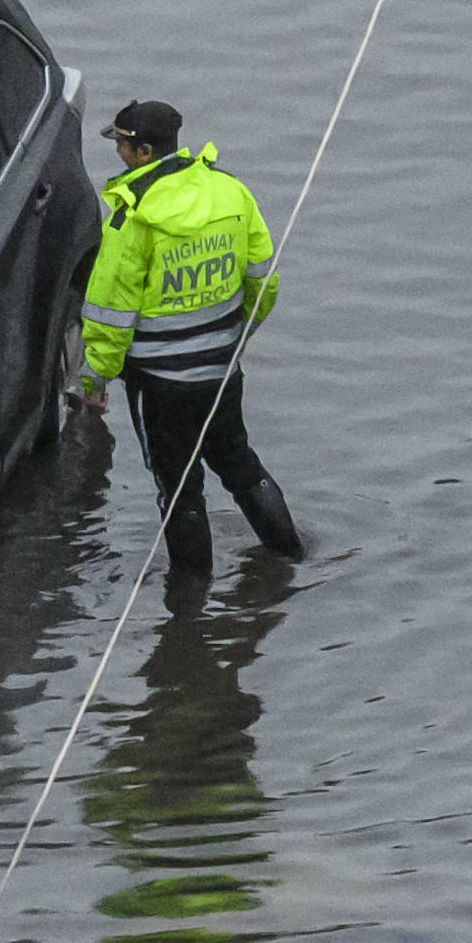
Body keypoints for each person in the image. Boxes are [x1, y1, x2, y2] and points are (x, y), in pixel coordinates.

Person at [77, 98, 302, 586]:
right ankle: (292, 557)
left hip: (160, 385)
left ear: (142, 151)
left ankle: (189, 602)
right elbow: (265, 282)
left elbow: (111, 314)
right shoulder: (230, 192)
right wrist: (234, 340)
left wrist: (94, 378)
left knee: (178, 489)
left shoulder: (132, 217)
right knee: (240, 463)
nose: (115, 149)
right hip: (221, 373)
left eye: (119, 142)